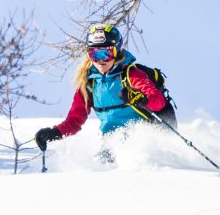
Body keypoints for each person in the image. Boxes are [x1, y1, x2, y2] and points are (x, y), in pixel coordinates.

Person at [34, 24, 174, 153]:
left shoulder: (131, 74)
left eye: (107, 53)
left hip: (147, 136)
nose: (101, 60)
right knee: (101, 169)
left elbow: (158, 101)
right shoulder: (89, 84)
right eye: (94, 54)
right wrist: (54, 133)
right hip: (112, 140)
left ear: (117, 51)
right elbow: (74, 120)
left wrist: (141, 98)